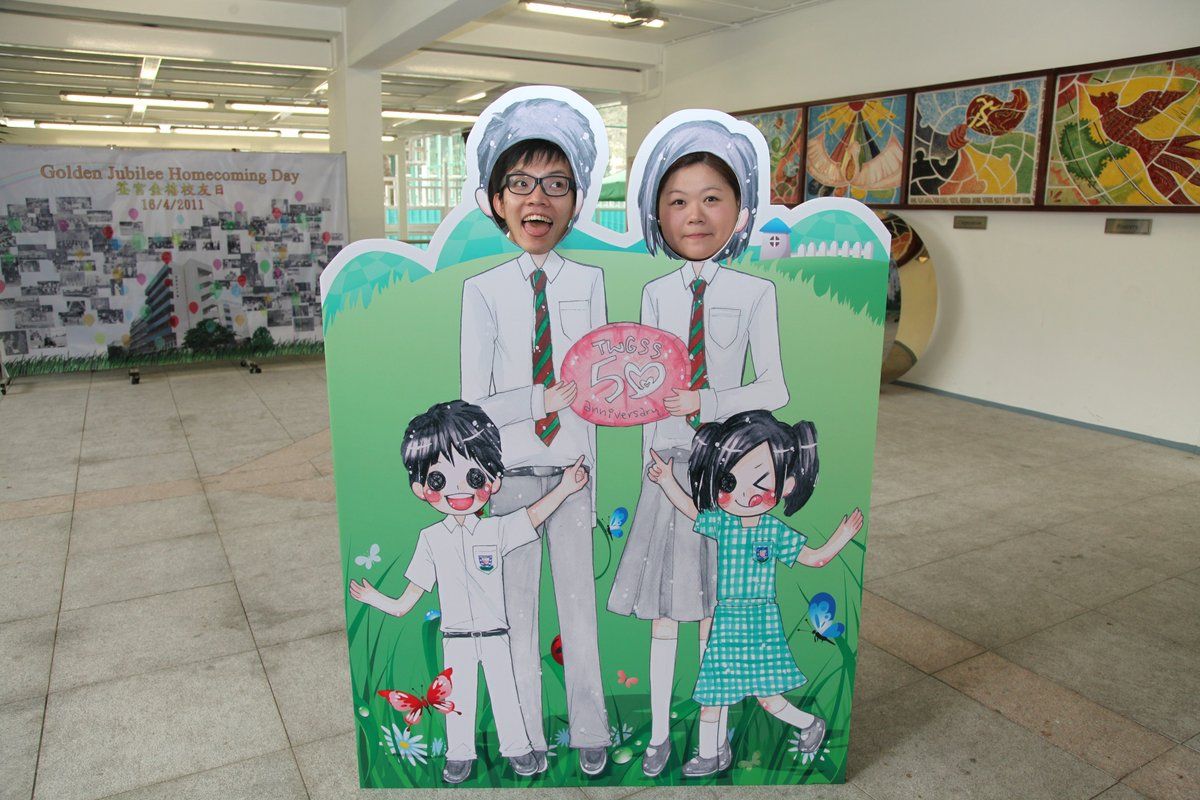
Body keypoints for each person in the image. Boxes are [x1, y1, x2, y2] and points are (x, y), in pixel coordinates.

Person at [606, 117, 789, 778]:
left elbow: (774, 387)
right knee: (665, 615)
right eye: (678, 200)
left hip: (726, 475)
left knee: (717, 616)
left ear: (739, 211)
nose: (695, 214)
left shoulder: (754, 292)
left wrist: (706, 404)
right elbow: (646, 387)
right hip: (668, 474)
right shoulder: (656, 294)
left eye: (712, 198)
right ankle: (660, 733)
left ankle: (714, 739)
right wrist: (650, 468)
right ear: (658, 213)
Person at [460, 96, 611, 776]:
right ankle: (523, 735)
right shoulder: (484, 291)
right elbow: (473, 406)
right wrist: (536, 400)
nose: (538, 198)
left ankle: (590, 729)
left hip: (574, 474)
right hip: (511, 479)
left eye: (556, 184)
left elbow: (600, 391)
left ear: (575, 201)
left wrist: (595, 480)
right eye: (520, 184)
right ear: (497, 200)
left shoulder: (590, 281)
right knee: (515, 615)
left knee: (579, 612)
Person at [348, 400, 591, 785]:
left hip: (496, 635)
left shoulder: (495, 530)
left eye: (474, 476)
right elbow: (407, 601)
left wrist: (564, 488)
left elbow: (531, 517)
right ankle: (459, 755)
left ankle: (518, 750)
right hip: (456, 638)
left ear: (493, 480)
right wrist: (374, 599)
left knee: (506, 693)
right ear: (420, 488)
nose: (459, 489)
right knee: (456, 700)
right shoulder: (430, 540)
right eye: (439, 480)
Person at [645, 410, 864, 777]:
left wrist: (841, 537)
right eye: (729, 482)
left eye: (760, 482)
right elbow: (691, 509)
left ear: (786, 485)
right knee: (713, 694)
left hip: (761, 623)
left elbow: (814, 559)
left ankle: (809, 723)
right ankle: (710, 755)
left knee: (768, 698)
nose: (743, 494)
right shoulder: (722, 523)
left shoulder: (775, 532)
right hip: (726, 621)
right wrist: (667, 480)